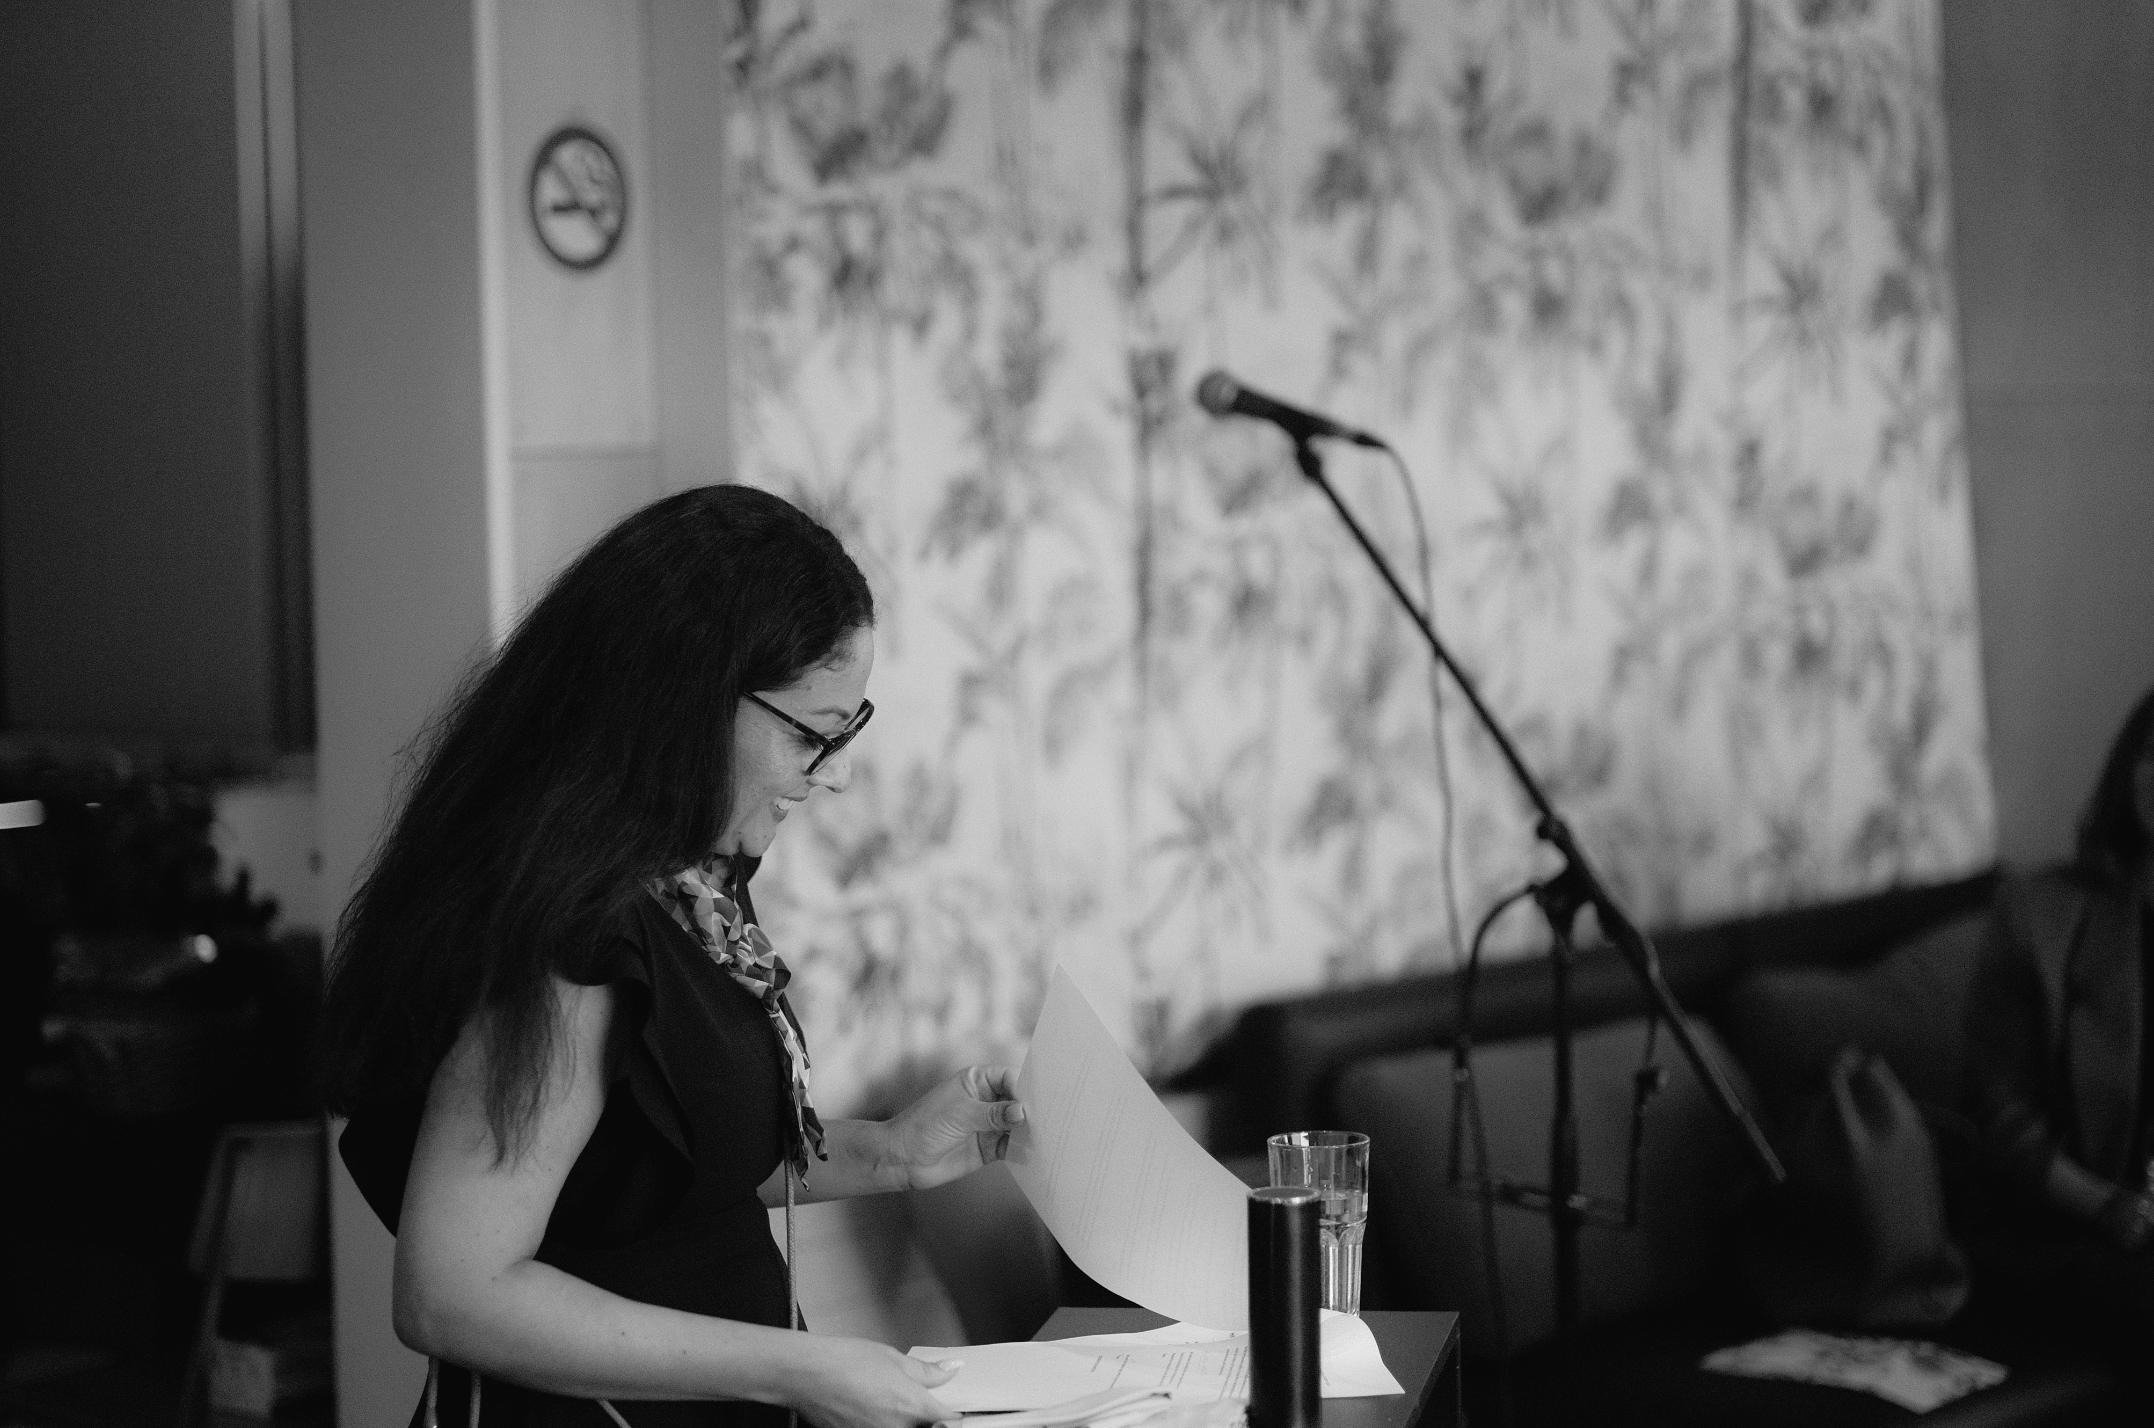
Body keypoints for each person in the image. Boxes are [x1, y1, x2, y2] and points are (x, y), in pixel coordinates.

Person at [316, 486, 1024, 1428]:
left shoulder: (690, 882)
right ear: (683, 700)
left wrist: (890, 1154)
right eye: (811, 734)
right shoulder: (570, 938)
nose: (837, 772)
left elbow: (663, 1166)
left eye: (846, 730)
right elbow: (452, 1294)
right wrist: (798, 1369)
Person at [1963, 682, 2154, 1384]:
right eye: (2153, 752)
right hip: (2053, 1226)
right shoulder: (2038, 919)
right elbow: (2001, 1120)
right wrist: (2107, 1207)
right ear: (2128, 771)